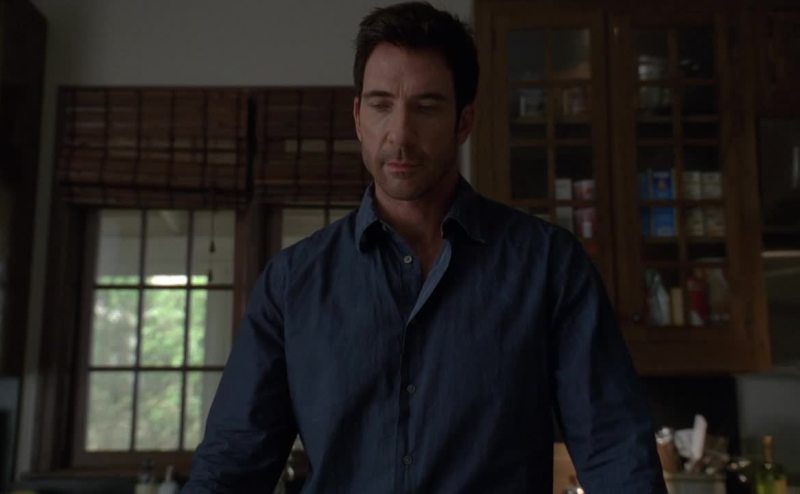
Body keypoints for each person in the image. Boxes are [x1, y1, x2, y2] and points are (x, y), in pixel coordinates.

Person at [183, 2, 667, 493]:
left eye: (426, 106)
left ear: (464, 120)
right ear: (358, 117)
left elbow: (615, 450)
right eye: (381, 105)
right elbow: (232, 463)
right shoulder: (292, 284)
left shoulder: (550, 267)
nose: (400, 135)